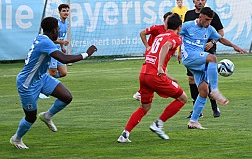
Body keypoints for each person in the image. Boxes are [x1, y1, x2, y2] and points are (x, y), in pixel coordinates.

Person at [10, 17, 97, 149]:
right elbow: (64, 59)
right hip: (27, 84)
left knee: (66, 97)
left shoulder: (43, 38)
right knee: (30, 117)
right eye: (58, 29)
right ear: (55, 30)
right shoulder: (45, 42)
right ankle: (16, 139)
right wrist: (86, 54)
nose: (59, 31)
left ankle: (47, 116)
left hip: (41, 78)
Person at [118, 13, 187, 143]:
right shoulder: (176, 38)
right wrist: (160, 68)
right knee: (182, 98)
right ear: (179, 27)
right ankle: (158, 124)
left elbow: (153, 58)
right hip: (155, 76)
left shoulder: (159, 36)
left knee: (145, 107)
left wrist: (168, 76)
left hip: (144, 74)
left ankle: (125, 134)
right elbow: (166, 47)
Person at [179, 7, 246, 129]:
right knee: (212, 58)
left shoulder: (209, 29)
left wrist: (234, 46)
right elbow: (176, 35)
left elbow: (220, 38)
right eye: (207, 20)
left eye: (210, 20)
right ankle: (214, 89)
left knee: (203, 92)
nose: (209, 22)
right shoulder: (188, 26)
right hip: (189, 57)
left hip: (197, 61)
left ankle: (193, 121)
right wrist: (177, 51)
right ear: (200, 17)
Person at [183, 0, 224, 118]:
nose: (200, 1)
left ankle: (214, 106)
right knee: (192, 80)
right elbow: (183, 35)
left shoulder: (212, 15)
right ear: (193, 1)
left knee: (207, 79)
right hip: (191, 53)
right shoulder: (189, 15)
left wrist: (212, 42)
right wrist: (180, 51)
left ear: (205, 1)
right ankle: (197, 110)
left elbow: (221, 33)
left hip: (207, 50)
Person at [132, 11, 173, 101]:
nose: (169, 21)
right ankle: (141, 93)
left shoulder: (172, 32)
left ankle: (141, 93)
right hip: (152, 56)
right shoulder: (157, 28)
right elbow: (142, 33)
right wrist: (147, 46)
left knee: (156, 74)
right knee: (155, 74)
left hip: (160, 57)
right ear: (164, 20)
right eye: (168, 19)